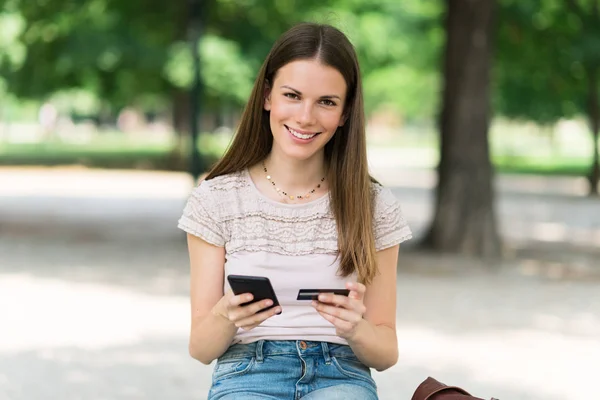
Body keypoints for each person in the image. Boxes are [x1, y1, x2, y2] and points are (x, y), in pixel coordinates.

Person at [177, 22, 412, 400]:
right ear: (268, 96)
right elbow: (200, 349)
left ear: (346, 112)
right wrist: (227, 315)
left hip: (341, 374)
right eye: (292, 95)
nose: (305, 117)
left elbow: (386, 352)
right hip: (247, 372)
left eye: (326, 102)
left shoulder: (374, 206)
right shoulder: (217, 199)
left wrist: (356, 329)